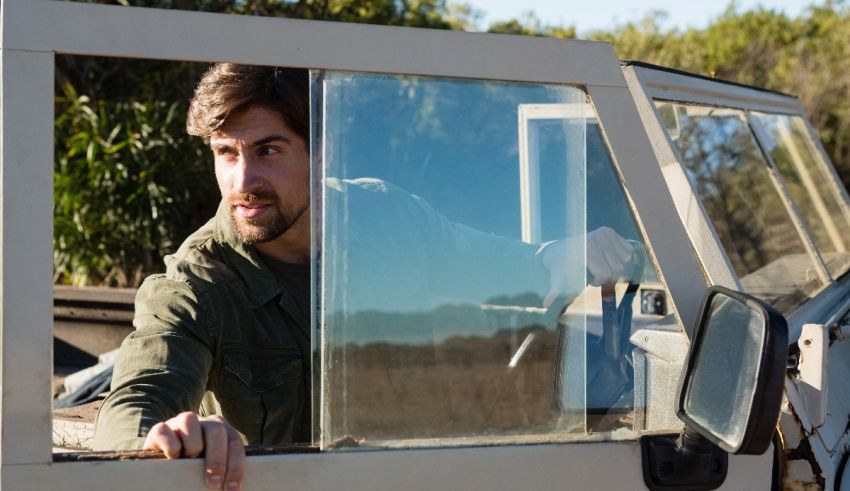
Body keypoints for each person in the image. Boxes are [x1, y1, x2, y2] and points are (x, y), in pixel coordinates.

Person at [93, 63, 636, 491]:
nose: (244, 180)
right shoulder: (195, 285)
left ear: (321, 151)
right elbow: (135, 402)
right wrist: (168, 441)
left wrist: (569, 252)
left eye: (268, 150)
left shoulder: (387, 217)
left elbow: (503, 262)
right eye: (225, 153)